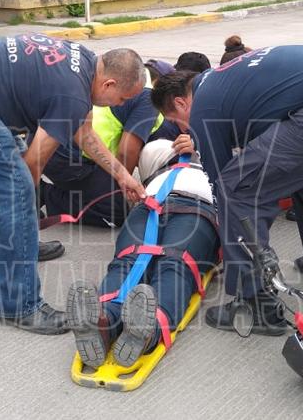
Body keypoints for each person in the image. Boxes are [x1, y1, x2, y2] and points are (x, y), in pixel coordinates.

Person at [151, 45, 303, 335]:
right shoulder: (223, 81)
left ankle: (257, 303)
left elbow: (222, 183)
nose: (182, 129)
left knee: (237, 189)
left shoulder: (204, 106)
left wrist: (226, 240)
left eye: (175, 120)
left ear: (181, 103)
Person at [0, 34, 147, 335]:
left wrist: (123, 176)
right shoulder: (73, 94)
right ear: (109, 84)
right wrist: (19, 204)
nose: (119, 105)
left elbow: (84, 134)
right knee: (14, 193)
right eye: (122, 99)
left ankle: (25, 244)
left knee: (19, 186)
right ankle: (20, 306)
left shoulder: (86, 64)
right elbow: (34, 163)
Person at [66, 139, 220, 367]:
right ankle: (107, 322)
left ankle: (135, 326)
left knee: (155, 262)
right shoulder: (163, 149)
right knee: (145, 261)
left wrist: (201, 144)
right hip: (160, 206)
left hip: (185, 208)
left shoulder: (216, 152)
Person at [41, 65, 166, 228]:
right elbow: (127, 152)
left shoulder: (124, 78)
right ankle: (45, 194)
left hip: (52, 142)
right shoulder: (148, 99)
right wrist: (119, 188)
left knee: (110, 195)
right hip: (66, 155)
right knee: (116, 211)